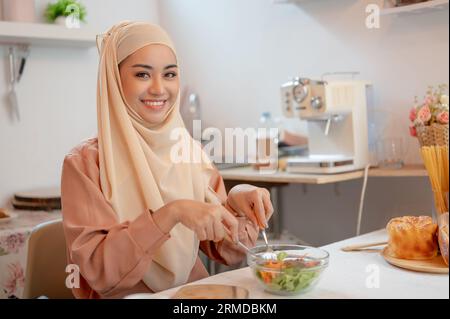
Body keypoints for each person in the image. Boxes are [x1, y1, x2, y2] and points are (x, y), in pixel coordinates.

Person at [60, 21, 274, 299]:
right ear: (114, 79)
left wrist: (237, 202)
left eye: (170, 74)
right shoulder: (85, 163)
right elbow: (100, 271)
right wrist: (171, 213)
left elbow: (230, 251)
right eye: (142, 74)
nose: (159, 89)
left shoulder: (189, 151)